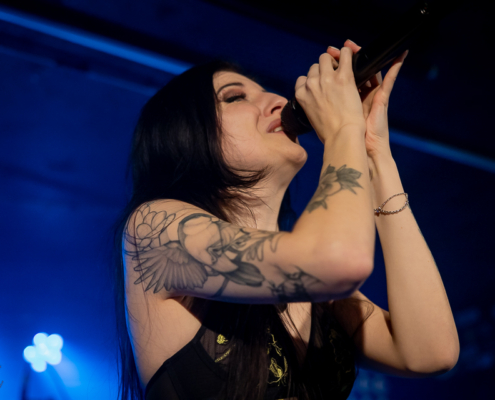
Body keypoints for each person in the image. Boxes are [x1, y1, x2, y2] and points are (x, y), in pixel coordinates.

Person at [112, 39, 459, 400]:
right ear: (185, 137)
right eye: (235, 97)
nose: (278, 101)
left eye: (266, 92)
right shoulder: (153, 230)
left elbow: (431, 351)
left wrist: (375, 154)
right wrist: (342, 131)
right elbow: (338, 260)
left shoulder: (317, 290)